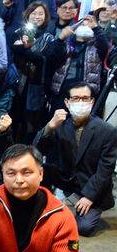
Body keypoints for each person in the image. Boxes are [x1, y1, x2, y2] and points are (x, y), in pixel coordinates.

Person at [34, 82, 117, 237]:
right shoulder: (60, 124)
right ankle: (39, 207)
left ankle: (60, 218)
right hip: (67, 180)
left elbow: (105, 169)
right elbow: (36, 151)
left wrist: (89, 197)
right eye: (76, 98)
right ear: (67, 102)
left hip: (91, 186)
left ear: (92, 102)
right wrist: (50, 126)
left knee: (84, 227)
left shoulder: (107, 131)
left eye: (85, 98)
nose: (80, 103)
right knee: (40, 170)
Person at [9, 1, 58, 141]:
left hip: (36, 86)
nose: (37, 16)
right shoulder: (17, 33)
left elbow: (45, 61)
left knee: (30, 124)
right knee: (12, 119)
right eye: (34, 13)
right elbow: (13, 50)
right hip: (17, 83)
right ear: (27, 15)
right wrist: (24, 49)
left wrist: (24, 49)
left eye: (40, 13)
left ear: (46, 16)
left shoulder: (49, 38)